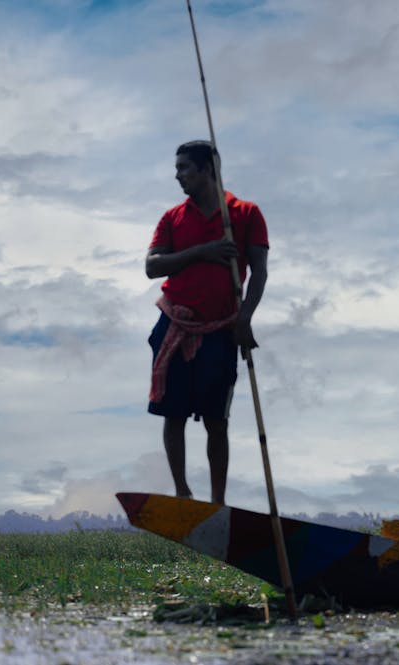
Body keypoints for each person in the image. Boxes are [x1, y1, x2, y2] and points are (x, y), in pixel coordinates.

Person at [145, 140, 269, 505]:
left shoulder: (244, 213)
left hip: (221, 329)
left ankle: (218, 502)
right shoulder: (173, 217)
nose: (178, 175)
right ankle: (182, 493)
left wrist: (245, 317)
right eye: (178, 168)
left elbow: (259, 272)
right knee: (174, 413)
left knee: (217, 418)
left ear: (207, 169)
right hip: (174, 323)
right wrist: (202, 252)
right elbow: (152, 266)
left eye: (185, 168)